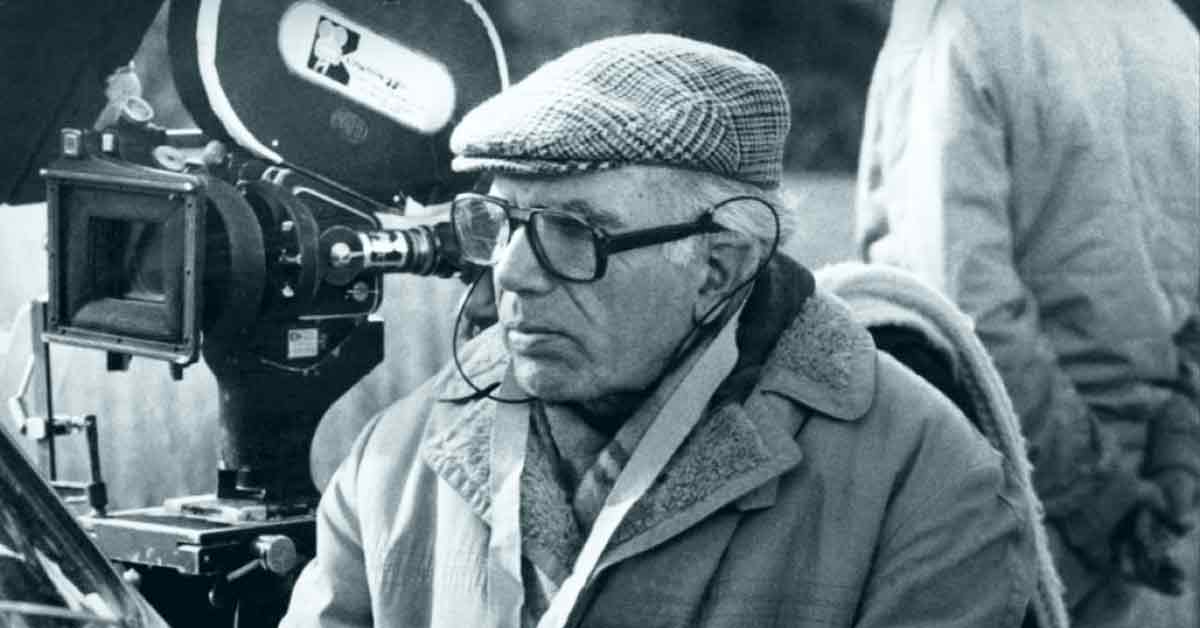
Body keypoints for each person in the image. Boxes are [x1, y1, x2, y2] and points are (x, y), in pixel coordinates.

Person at [282, 34, 1038, 627]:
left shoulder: (923, 480)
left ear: (719, 266)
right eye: (501, 223)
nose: (511, 273)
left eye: (572, 231)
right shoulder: (395, 461)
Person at [854, 1, 1200, 626]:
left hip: (997, 506)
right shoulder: (1172, 31)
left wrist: (1102, 499)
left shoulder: (957, 25)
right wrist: (1171, 465)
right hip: (1139, 523)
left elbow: (958, 308)